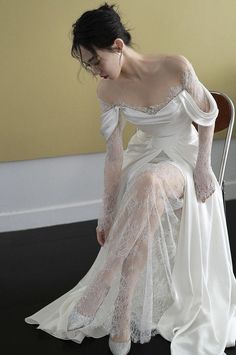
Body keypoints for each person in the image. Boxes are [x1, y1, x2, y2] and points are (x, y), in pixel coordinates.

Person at [24, 2, 236, 355]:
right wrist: (105, 212)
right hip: (145, 157)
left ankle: (105, 282)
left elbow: (207, 114)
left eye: (94, 61)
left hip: (183, 158)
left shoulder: (175, 67)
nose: (94, 72)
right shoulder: (107, 91)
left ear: (117, 46)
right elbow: (114, 155)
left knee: (149, 183)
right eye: (86, 65)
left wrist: (203, 166)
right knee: (144, 184)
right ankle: (122, 314)